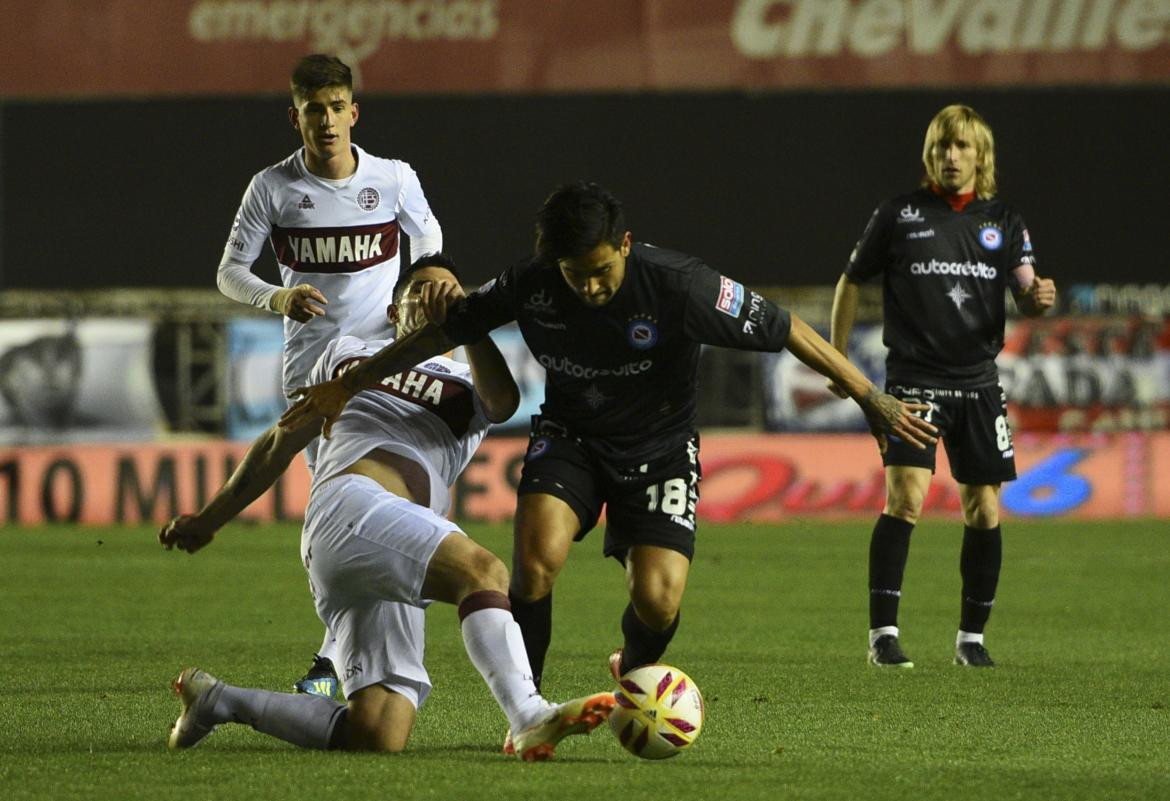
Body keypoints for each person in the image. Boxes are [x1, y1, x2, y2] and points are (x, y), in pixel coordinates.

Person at [280, 181, 938, 714]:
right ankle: (528, 706)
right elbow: (444, 330)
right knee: (535, 563)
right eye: (574, 274)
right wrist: (355, 381)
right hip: (571, 439)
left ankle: (637, 670)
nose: (589, 287)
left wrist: (868, 396)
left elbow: (785, 326)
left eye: (599, 271)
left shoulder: (680, 285)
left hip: (661, 449)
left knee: (659, 599)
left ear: (624, 244)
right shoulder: (533, 282)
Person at [161, 258, 614, 760]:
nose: (435, 297)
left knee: (377, 733)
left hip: (394, 543)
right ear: (394, 309)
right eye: (422, 289)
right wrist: (211, 519)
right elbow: (279, 443)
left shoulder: (465, 378)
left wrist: (469, 324)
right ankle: (528, 714)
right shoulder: (346, 356)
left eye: (449, 291)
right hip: (347, 510)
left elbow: (504, 403)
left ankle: (218, 701)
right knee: (482, 571)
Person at [216, 53, 443, 696]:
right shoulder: (272, 188)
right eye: (313, 110)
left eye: (336, 107)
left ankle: (333, 658)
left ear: (353, 112)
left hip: (380, 368)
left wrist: (413, 291)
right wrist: (277, 297)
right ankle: (344, 650)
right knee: (337, 514)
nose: (327, 121)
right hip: (313, 376)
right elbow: (230, 271)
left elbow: (429, 241)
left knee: (369, 504)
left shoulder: (393, 180)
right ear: (296, 117)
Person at [827, 104, 1057, 669]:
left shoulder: (1003, 220)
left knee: (983, 507)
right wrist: (837, 360)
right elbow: (851, 279)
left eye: (960, 147)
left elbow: (1028, 289)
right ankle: (883, 635)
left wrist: (1037, 299)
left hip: (979, 383)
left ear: (981, 155)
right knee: (905, 495)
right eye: (940, 147)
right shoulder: (900, 214)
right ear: (929, 154)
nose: (950, 156)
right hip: (915, 379)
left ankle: (971, 640)